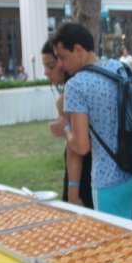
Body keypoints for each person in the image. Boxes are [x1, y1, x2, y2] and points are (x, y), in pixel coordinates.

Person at [49, 23, 132, 224]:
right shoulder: (121, 68)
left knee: (115, 247)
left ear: (78, 50)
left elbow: (81, 146)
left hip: (110, 180)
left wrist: (65, 127)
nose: (61, 65)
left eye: (62, 57)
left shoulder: (76, 85)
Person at [42, 40, 93, 209]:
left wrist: (72, 194)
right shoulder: (90, 84)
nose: (46, 73)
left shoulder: (69, 96)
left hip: (84, 177)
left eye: (50, 66)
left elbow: (76, 151)